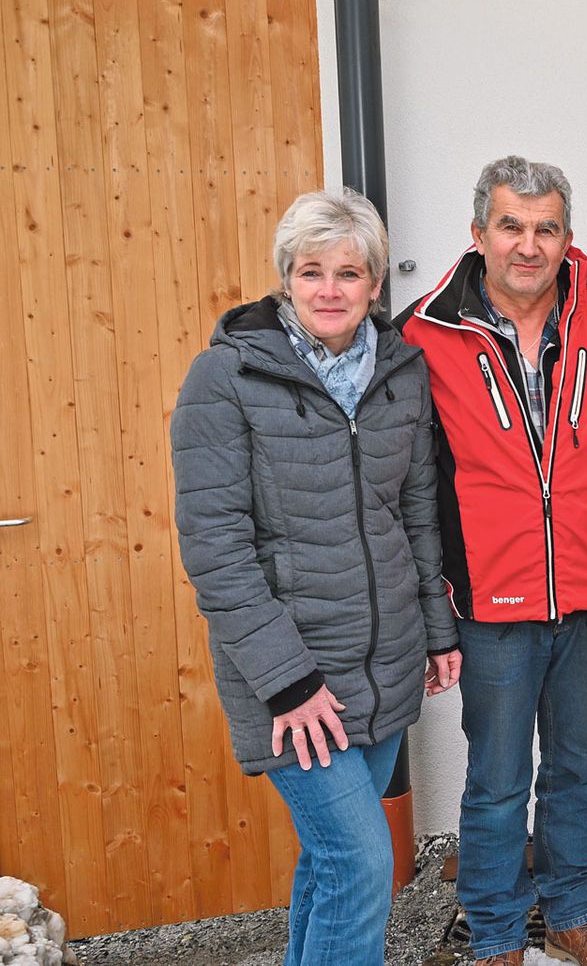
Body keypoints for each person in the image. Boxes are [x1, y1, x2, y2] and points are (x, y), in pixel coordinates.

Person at [172, 188, 461, 966]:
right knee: (362, 863)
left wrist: (437, 632)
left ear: (375, 283)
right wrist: (289, 683)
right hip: (294, 677)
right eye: (311, 272)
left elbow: (417, 515)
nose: (329, 290)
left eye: (348, 272)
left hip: (387, 664)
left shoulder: (402, 374)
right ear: (287, 280)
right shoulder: (225, 377)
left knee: (331, 863)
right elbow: (215, 548)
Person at [398, 155, 587, 966]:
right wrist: (430, 609)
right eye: (510, 225)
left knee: (577, 771)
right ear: (478, 234)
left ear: (567, 237)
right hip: (488, 606)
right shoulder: (420, 335)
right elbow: (401, 486)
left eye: (546, 228)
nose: (528, 244)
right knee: (496, 779)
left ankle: (574, 914)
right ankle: (496, 935)